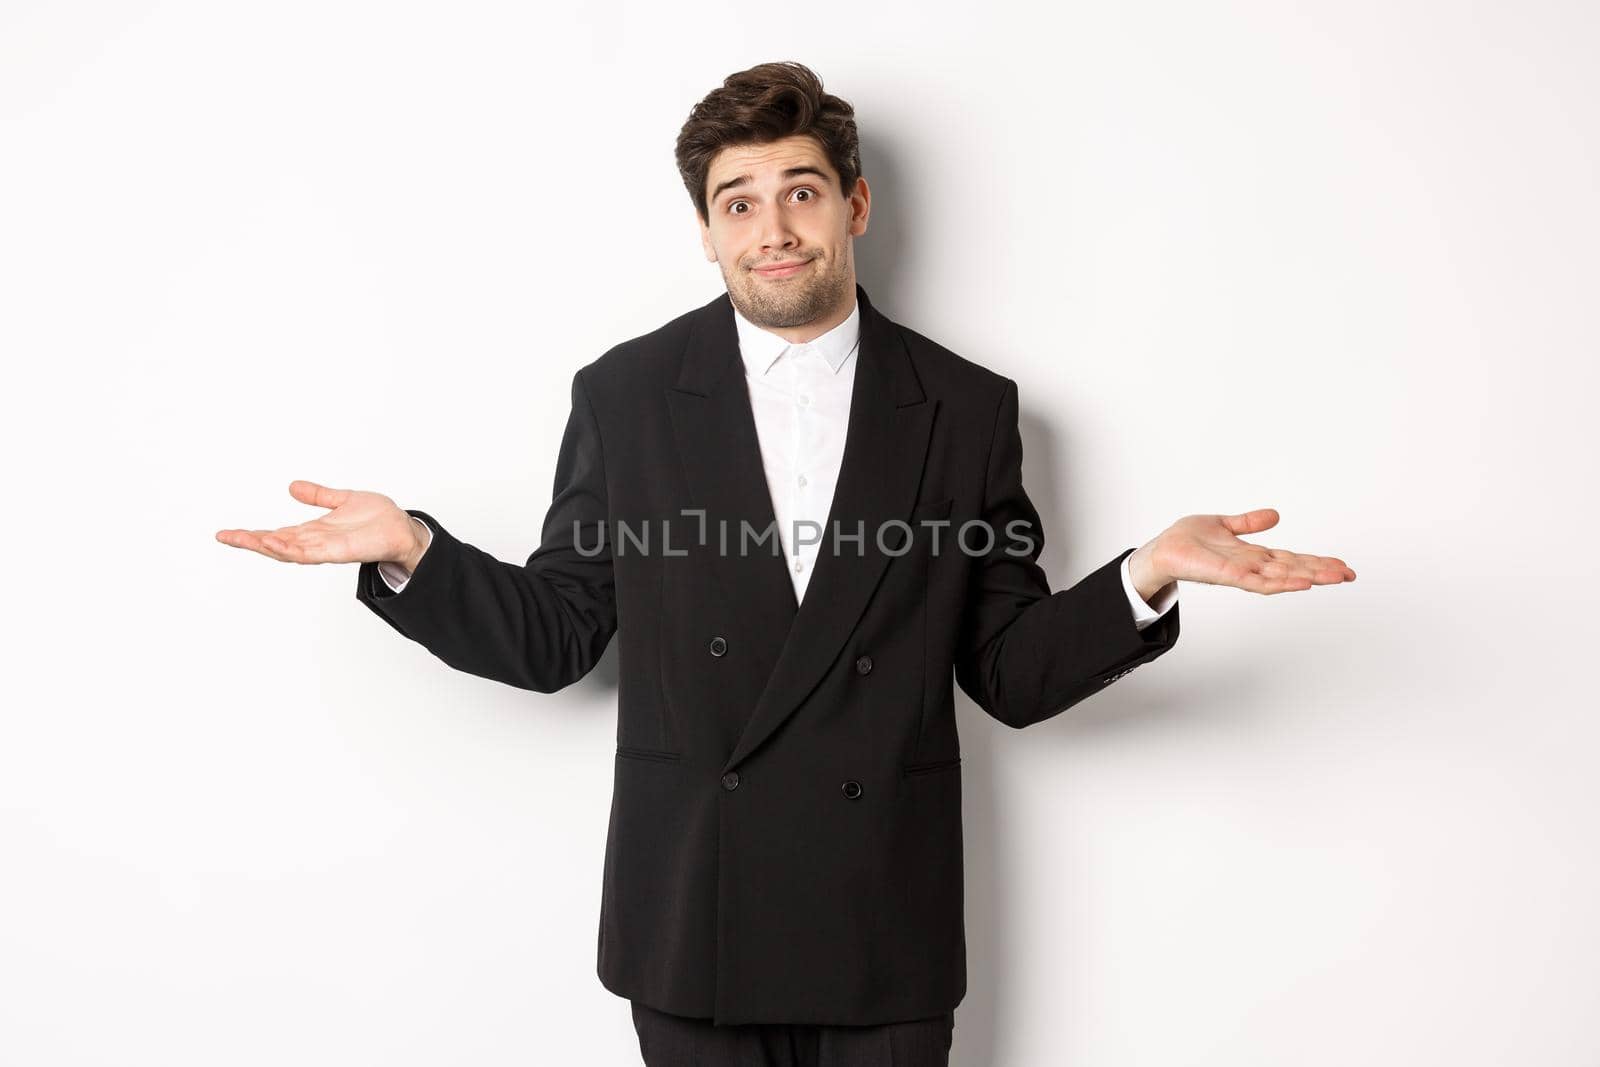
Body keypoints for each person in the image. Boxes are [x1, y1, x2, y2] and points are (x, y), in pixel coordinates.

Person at [217, 60, 1355, 1067]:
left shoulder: (963, 408)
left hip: (883, 924)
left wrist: (1142, 573)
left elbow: (1008, 670)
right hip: (694, 912)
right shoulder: (625, 395)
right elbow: (561, 632)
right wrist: (417, 549)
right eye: (739, 202)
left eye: (800, 192)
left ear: (853, 206)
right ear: (706, 231)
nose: (773, 227)